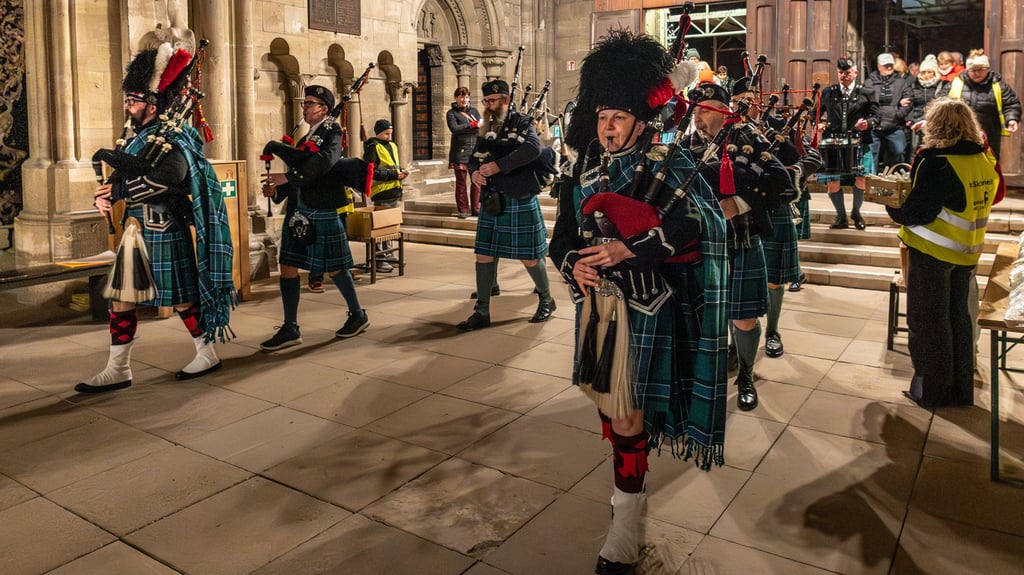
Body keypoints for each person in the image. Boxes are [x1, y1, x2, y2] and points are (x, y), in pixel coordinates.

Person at [549, 30, 728, 575]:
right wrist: (571, 263)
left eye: (619, 117)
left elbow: (700, 223)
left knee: (626, 416)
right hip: (596, 309)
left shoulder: (668, 164)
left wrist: (633, 246)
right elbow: (559, 238)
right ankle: (628, 492)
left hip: (648, 309)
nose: (608, 126)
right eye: (602, 115)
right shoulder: (581, 172)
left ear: (641, 120)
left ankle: (626, 530)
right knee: (613, 410)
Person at [79, 44, 235, 393]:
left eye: (132, 101)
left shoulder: (174, 136)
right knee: (121, 296)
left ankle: (206, 353)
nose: (127, 106)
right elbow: (126, 175)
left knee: (181, 296)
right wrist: (106, 193)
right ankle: (118, 369)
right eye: (127, 100)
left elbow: (171, 177)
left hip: (164, 226)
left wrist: (121, 193)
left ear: (152, 104)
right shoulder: (141, 137)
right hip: (136, 229)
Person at [886, 98, 1002, 408]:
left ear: (936, 125)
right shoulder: (983, 158)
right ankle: (961, 390)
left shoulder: (936, 160)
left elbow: (918, 212)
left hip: (932, 252)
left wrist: (889, 202)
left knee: (929, 323)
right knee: (959, 321)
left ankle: (933, 392)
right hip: (967, 252)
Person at [684, 80, 792, 411]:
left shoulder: (744, 134)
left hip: (741, 239)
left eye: (701, 110)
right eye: (695, 111)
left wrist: (738, 205)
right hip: (704, 244)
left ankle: (745, 373)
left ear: (719, 109)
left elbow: (781, 183)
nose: (697, 117)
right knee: (711, 315)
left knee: (744, 316)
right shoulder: (689, 144)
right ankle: (721, 362)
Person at [259, 85, 369, 351]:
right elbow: (301, 171)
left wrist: (287, 176)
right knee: (287, 265)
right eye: (305, 103)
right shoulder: (307, 137)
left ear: (324, 108)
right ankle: (290, 327)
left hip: (322, 208)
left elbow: (323, 164)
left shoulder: (332, 132)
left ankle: (357, 314)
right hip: (300, 210)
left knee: (336, 266)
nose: (305, 107)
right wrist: (278, 189)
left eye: (309, 103)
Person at [455, 79, 556, 331]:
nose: (489, 105)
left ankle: (547, 299)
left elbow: (533, 148)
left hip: (519, 197)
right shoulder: (484, 126)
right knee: (484, 254)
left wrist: (499, 165)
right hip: (493, 199)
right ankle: (482, 310)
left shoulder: (522, 122)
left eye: (493, 101)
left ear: (506, 101)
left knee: (529, 257)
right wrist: (475, 173)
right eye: (486, 101)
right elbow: (472, 157)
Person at [733, 78, 822, 359]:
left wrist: (787, 172)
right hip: (741, 212)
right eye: (738, 102)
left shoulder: (778, 126)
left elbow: (814, 157)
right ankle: (737, 343)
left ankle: (772, 331)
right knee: (734, 280)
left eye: (748, 100)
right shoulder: (727, 133)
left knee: (774, 279)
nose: (745, 106)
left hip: (775, 208)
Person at [818, 57, 879, 230]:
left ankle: (856, 213)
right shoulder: (829, 92)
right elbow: (817, 113)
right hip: (833, 142)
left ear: (855, 73)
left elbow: (876, 116)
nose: (843, 76)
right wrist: (819, 123)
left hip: (859, 140)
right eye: (840, 73)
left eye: (847, 73)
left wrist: (868, 123)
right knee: (833, 181)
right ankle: (841, 216)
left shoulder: (866, 92)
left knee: (860, 178)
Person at [937, 49, 1021, 160]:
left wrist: (1011, 119)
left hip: (990, 135)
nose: (977, 73)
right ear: (967, 70)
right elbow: (938, 105)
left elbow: (1011, 104)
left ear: (987, 69)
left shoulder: (998, 85)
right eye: (973, 70)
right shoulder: (956, 83)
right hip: (960, 135)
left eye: (981, 69)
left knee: (988, 167)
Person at [363, 119, 407, 273]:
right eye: (386, 134)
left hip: (395, 189)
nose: (389, 136)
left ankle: (389, 253)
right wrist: (393, 174)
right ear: (378, 133)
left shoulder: (393, 145)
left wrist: (401, 172)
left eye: (390, 133)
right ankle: (379, 258)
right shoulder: (372, 147)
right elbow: (370, 172)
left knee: (391, 225)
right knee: (379, 227)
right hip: (381, 191)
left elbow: (393, 164)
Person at [864, 53, 913, 172]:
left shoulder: (901, 82)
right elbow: (864, 101)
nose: (889, 67)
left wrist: (898, 114)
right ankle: (871, 181)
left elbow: (909, 100)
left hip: (895, 125)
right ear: (879, 66)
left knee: (899, 151)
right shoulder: (870, 82)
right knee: (871, 155)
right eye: (886, 65)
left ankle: (893, 179)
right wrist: (872, 117)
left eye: (890, 65)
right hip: (875, 125)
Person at [446, 86, 482, 218]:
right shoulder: (451, 113)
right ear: (456, 98)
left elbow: (481, 127)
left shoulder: (474, 111)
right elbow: (454, 128)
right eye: (461, 96)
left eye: (466, 97)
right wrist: (471, 126)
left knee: (477, 179)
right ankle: (463, 210)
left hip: (475, 150)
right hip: (460, 151)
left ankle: (477, 208)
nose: (464, 99)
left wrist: (475, 126)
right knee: (461, 181)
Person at [908, 54, 944, 153]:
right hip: (915, 122)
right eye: (923, 72)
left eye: (929, 72)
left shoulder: (941, 86)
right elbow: (910, 104)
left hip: (933, 121)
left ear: (934, 72)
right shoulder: (913, 85)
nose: (926, 75)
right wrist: (911, 120)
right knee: (914, 149)